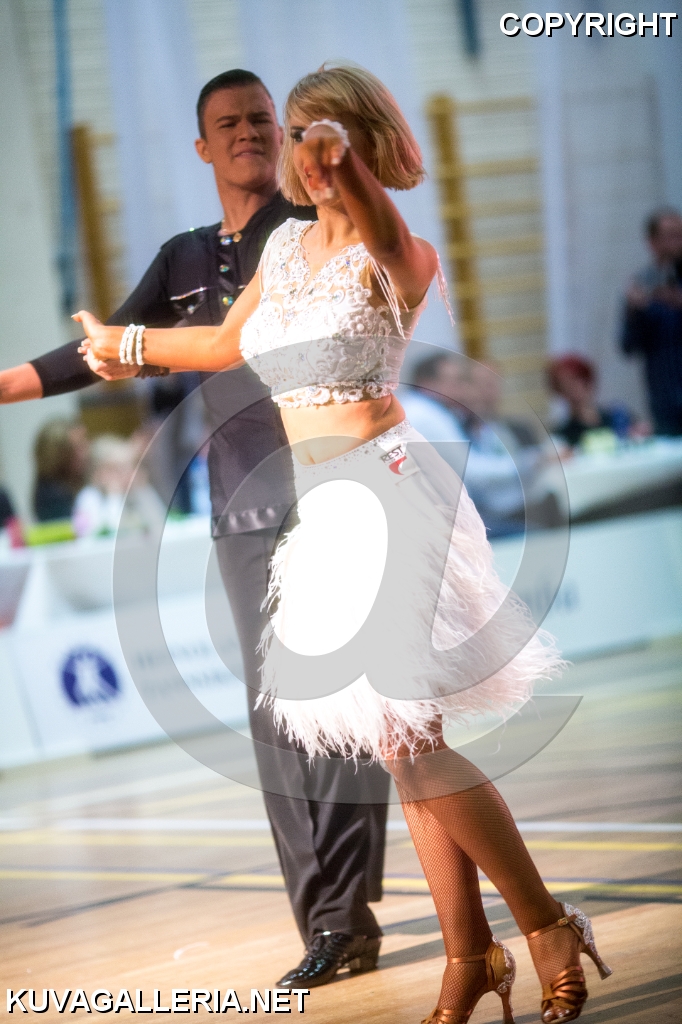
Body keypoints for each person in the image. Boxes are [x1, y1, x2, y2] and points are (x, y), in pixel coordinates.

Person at [78, 63, 612, 1024]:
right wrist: (123, 346)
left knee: (411, 745)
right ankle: (470, 957)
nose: (311, 154)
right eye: (302, 136)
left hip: (393, 494)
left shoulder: (397, 251)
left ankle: (543, 925)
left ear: (364, 146)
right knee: (401, 748)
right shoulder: (284, 248)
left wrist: (345, 167)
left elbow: (378, 221)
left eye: (331, 138)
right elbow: (219, 346)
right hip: (323, 519)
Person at [0, 69, 388, 988]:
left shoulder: (311, 231)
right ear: (203, 146)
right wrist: (8, 384)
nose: (249, 131)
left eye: (262, 118)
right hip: (241, 512)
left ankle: (349, 912)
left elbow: (218, 344)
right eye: (229, 123)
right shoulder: (181, 260)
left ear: (285, 136)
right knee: (276, 718)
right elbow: (100, 350)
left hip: (333, 495)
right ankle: (330, 921)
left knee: (345, 707)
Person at [403, 353, 558, 536]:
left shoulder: (417, 409)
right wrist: (529, 462)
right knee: (537, 535)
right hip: (438, 525)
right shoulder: (427, 416)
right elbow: (471, 472)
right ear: (427, 384)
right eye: (454, 381)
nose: (461, 390)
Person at [621, 208, 682, 436]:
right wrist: (637, 311)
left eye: (680, 235)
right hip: (665, 399)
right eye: (671, 236)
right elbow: (628, 346)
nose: (677, 242)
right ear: (653, 242)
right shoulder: (642, 284)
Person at [72, 434, 166, 538]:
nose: (129, 473)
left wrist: (144, 489)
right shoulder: (89, 496)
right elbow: (108, 533)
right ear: (99, 473)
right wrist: (114, 495)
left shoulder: (136, 492)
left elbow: (161, 522)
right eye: (118, 468)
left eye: (131, 466)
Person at [546, 354, 644, 449]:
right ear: (559, 391)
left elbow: (641, 432)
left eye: (578, 380)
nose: (574, 389)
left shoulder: (618, 416)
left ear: (589, 382)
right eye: (566, 385)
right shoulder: (562, 436)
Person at [32, 417, 90, 522]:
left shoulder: (79, 481)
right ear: (58, 456)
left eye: (85, 445)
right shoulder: (52, 497)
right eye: (78, 448)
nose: (86, 454)